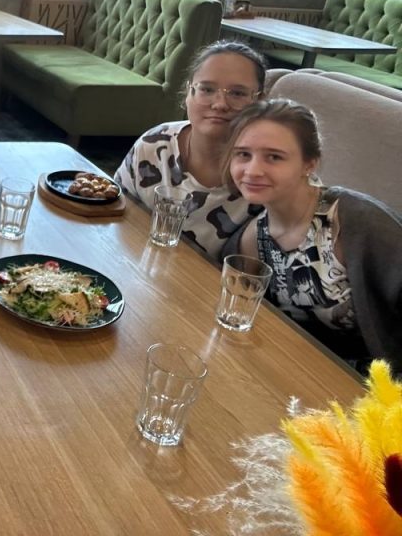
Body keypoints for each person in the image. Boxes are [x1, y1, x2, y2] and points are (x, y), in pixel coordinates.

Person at [221, 98, 402, 370]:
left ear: (309, 164)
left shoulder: (356, 221)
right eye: (243, 154)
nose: (253, 170)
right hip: (296, 370)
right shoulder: (251, 240)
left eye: (274, 157)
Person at [114, 40, 267, 260]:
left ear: (260, 101)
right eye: (207, 89)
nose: (220, 104)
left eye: (237, 93)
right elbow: (113, 217)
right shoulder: (153, 145)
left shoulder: (264, 176)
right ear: (188, 93)